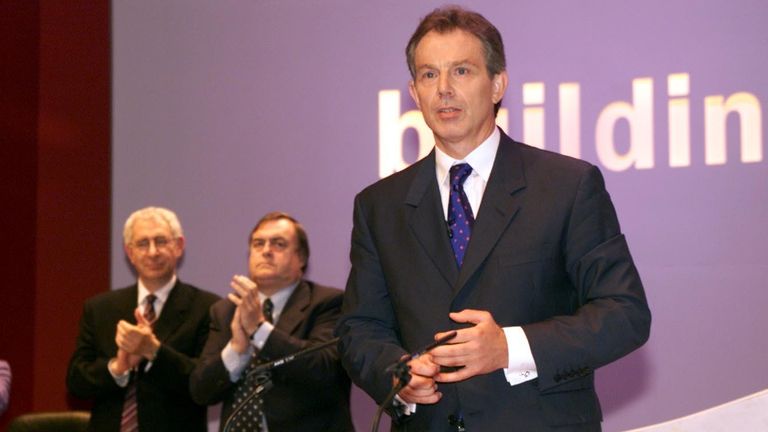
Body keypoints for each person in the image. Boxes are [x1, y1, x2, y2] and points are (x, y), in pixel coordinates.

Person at [336, 6, 651, 431]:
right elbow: (360, 328)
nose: (444, 89)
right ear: (414, 92)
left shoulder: (567, 186)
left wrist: (509, 347)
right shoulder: (379, 206)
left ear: (498, 83)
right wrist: (399, 374)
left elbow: (624, 313)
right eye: (429, 75)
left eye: (462, 71)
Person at [190, 212, 353, 431]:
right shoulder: (225, 310)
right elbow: (201, 391)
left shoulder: (328, 302)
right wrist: (237, 349)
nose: (266, 251)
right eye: (258, 244)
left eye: (279, 244)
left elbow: (324, 371)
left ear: (301, 258)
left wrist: (259, 329)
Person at [67, 207, 219, 431]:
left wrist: (154, 351)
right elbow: (76, 382)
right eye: (142, 244)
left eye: (161, 241)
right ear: (130, 253)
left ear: (179, 246)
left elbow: (205, 385)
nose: (152, 252)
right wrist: (118, 367)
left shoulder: (208, 307)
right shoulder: (100, 308)